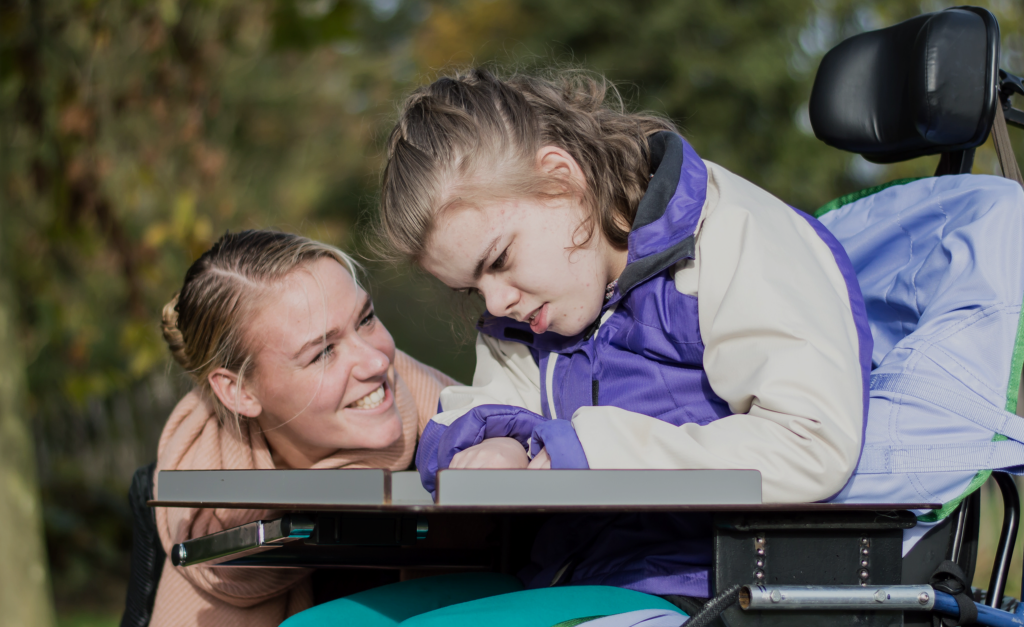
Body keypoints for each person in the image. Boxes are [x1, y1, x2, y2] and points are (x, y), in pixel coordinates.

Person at [286, 67, 873, 626]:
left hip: (708, 584)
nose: (494, 304)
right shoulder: (537, 307)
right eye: (471, 287)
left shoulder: (735, 237)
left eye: (499, 261)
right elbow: (484, 409)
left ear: (561, 177)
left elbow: (811, 441)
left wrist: (587, 448)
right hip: (568, 576)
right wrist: (500, 445)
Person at [149, 229, 522, 626]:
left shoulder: (466, 424)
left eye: (365, 319)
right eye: (323, 352)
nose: (377, 362)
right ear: (238, 392)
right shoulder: (203, 514)